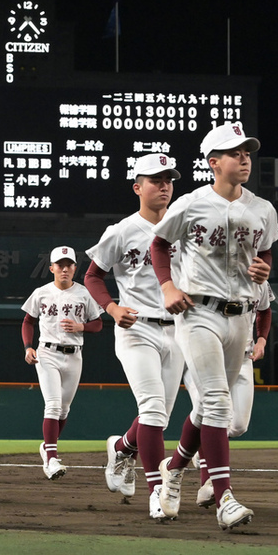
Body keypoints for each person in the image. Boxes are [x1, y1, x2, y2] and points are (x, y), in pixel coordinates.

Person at [151, 121, 278, 531]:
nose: (244, 159)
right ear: (213, 162)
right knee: (220, 403)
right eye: (235, 153)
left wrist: (264, 269)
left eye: (247, 153)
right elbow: (159, 244)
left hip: (241, 314)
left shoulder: (262, 209)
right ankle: (224, 498)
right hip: (198, 313)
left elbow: (266, 255)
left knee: (207, 408)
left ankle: (173, 471)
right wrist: (168, 285)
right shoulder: (190, 204)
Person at [84, 153, 186, 520]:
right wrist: (111, 309)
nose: (164, 186)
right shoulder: (121, 230)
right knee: (153, 411)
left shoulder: (185, 226)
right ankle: (157, 493)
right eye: (155, 180)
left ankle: (123, 448)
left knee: (157, 418)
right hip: (136, 328)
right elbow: (92, 276)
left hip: (178, 332)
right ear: (137, 187)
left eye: (168, 180)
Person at [190, 281, 274, 508]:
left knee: (237, 426)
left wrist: (262, 339)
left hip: (243, 356)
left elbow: (265, 310)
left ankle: (200, 450)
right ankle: (209, 484)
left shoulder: (260, 282)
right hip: (205, 354)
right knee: (212, 412)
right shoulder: (210, 274)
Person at [22, 246, 103, 480]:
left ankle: (48, 448)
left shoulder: (84, 294)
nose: (64, 269)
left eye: (69, 265)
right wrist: (28, 346)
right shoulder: (41, 292)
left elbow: (98, 324)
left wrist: (82, 327)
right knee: (53, 405)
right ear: (52, 268)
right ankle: (51, 458)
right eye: (60, 265)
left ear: (75, 268)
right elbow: (28, 321)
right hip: (47, 352)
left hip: (74, 353)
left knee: (64, 410)